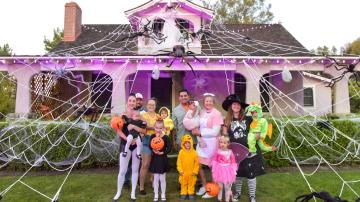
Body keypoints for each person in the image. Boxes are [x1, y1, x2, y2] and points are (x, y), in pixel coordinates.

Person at [222, 94, 265, 202]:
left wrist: (259, 133)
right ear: (230, 107)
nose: (236, 106)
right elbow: (225, 136)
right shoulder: (227, 120)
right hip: (235, 152)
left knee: (251, 173)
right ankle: (237, 193)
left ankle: (252, 196)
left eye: (238, 104)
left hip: (249, 150)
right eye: (234, 104)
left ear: (241, 107)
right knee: (238, 174)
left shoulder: (248, 119)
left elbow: (259, 122)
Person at [113, 93, 146, 201]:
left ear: (136, 102)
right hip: (125, 144)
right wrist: (127, 139)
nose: (132, 102)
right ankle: (118, 192)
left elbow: (143, 131)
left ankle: (133, 193)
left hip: (136, 146)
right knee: (122, 171)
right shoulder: (122, 115)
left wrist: (137, 138)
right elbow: (118, 130)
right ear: (127, 102)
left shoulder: (139, 115)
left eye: (134, 101)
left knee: (135, 170)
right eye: (130, 100)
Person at [193, 93, 223, 199]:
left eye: (210, 101)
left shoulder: (217, 114)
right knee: (198, 165)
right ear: (204, 102)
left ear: (213, 102)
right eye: (206, 101)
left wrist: (201, 134)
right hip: (201, 143)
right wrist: (199, 139)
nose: (208, 103)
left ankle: (214, 188)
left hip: (212, 144)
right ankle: (204, 185)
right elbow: (197, 128)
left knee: (213, 167)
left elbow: (215, 132)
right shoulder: (201, 112)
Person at [139, 98, 159, 195]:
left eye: (153, 105)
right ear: (147, 105)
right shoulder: (143, 115)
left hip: (157, 141)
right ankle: (141, 187)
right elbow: (143, 127)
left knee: (154, 164)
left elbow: (160, 128)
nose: (151, 106)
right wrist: (154, 127)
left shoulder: (158, 116)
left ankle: (153, 182)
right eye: (149, 104)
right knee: (145, 165)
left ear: (155, 106)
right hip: (147, 141)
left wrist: (152, 127)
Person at [149, 120, 172, 202]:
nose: (158, 129)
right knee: (156, 178)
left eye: (160, 128)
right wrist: (153, 150)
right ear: (154, 127)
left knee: (162, 178)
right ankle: (156, 194)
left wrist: (162, 152)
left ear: (163, 128)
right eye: (157, 128)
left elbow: (169, 148)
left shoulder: (166, 137)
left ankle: (163, 194)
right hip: (155, 159)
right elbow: (150, 145)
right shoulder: (152, 136)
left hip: (162, 159)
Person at [211, 135, 238, 202]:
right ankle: (219, 199)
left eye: (224, 143)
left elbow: (233, 161)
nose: (222, 144)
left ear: (228, 144)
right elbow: (215, 160)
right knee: (220, 186)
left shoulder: (230, 152)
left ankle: (227, 199)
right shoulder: (218, 151)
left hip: (228, 171)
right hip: (219, 170)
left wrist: (234, 170)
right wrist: (214, 169)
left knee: (227, 187)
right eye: (221, 142)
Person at [177, 134, 199, 200]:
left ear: (191, 143)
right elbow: (179, 162)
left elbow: (197, 163)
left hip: (191, 172)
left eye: (189, 143)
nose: (187, 144)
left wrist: (195, 171)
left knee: (191, 184)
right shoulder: (181, 152)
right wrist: (180, 170)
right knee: (183, 183)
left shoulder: (194, 152)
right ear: (183, 144)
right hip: (183, 172)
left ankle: (190, 193)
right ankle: (183, 193)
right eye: (186, 143)